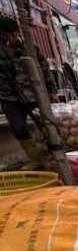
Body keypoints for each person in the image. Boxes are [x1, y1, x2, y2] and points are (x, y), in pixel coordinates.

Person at [0, 17, 56, 168]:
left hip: (32, 94)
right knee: (18, 128)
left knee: (44, 124)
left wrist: (51, 91)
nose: (6, 38)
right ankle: (36, 159)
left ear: (16, 33)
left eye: (9, 34)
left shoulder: (30, 47)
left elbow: (44, 68)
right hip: (9, 96)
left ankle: (54, 154)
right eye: (3, 34)